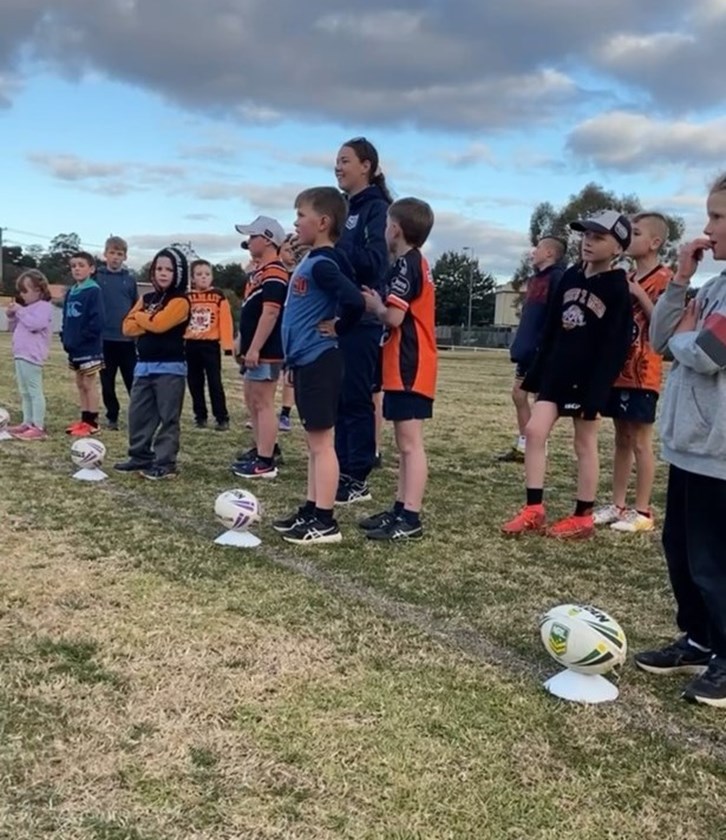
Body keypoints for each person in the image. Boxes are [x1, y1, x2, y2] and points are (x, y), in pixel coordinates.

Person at [634, 174, 726, 708]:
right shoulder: (712, 288)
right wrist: (679, 284)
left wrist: (689, 334)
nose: (707, 229)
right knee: (682, 551)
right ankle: (697, 639)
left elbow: (709, 352)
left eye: (717, 217)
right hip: (690, 445)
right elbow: (661, 339)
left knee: (716, 559)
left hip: (720, 452)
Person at [501, 210, 634, 539]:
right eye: (586, 235)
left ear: (618, 248)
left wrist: (598, 391)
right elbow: (551, 329)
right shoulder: (571, 276)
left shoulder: (618, 288)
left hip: (587, 380)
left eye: (599, 238)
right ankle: (534, 509)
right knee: (534, 431)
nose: (588, 242)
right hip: (556, 375)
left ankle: (583, 517)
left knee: (584, 443)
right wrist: (537, 372)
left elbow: (616, 346)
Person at [273, 187, 365, 544]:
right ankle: (312, 508)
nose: (295, 223)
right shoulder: (312, 261)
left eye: (300, 216)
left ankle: (325, 521)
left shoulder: (325, 263)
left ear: (323, 222)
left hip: (321, 360)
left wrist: (339, 326)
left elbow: (354, 301)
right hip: (307, 361)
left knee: (322, 444)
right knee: (314, 443)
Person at [359, 197, 436, 540]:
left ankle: (411, 517)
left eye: (386, 224)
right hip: (400, 361)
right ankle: (401, 507)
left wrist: (375, 305)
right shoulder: (406, 264)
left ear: (395, 229)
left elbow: (394, 316)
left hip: (411, 361)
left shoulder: (408, 265)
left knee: (410, 443)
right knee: (403, 444)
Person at [594, 213, 673, 532]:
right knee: (621, 438)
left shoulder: (666, 279)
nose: (629, 238)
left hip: (644, 371)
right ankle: (617, 504)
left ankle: (642, 511)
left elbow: (664, 326)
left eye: (636, 233)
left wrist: (638, 294)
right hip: (618, 369)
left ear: (654, 242)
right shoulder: (623, 275)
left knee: (641, 440)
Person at [334, 137, 392, 504]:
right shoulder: (345, 208)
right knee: (339, 399)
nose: (338, 167)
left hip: (364, 319)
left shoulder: (378, 209)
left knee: (355, 399)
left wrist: (333, 242)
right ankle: (340, 469)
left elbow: (375, 263)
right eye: (336, 161)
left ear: (366, 166)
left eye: (345, 160)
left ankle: (357, 476)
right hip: (339, 317)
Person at [113, 246, 191, 480]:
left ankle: (165, 462)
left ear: (178, 273)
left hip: (170, 368)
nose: (163, 273)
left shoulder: (181, 301)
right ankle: (139, 456)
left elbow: (160, 325)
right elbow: (127, 327)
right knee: (138, 414)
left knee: (168, 418)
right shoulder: (146, 298)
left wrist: (141, 318)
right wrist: (146, 318)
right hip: (144, 366)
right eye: (159, 268)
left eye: (169, 269)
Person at [230, 216, 288, 478]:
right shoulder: (257, 273)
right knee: (252, 401)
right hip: (254, 349)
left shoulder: (275, 271)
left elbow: (271, 312)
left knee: (263, 402)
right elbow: (250, 312)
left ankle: (266, 460)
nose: (248, 242)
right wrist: (242, 342)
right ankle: (262, 447)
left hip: (268, 350)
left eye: (252, 237)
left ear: (266, 239)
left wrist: (255, 348)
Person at [499, 237, 566, 462]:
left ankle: (536, 446)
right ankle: (525, 443)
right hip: (526, 351)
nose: (532, 252)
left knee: (540, 401)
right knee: (518, 395)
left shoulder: (557, 278)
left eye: (537, 248)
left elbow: (557, 316)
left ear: (549, 253)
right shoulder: (535, 279)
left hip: (542, 351)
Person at [185, 258, 234, 431]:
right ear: (192, 278)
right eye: (199, 274)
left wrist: (228, 345)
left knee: (215, 382)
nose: (203, 277)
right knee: (194, 382)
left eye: (207, 274)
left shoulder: (218, 296)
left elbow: (225, 321)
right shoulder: (187, 298)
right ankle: (200, 416)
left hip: (210, 346)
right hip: (191, 344)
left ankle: (221, 417)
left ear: (212, 277)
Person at [95, 235, 138, 430]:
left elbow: (136, 307)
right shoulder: (97, 277)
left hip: (126, 340)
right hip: (105, 339)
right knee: (107, 382)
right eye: (112, 253)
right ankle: (112, 416)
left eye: (119, 254)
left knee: (133, 381)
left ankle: (138, 415)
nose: (115, 257)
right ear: (105, 255)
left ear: (125, 257)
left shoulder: (129, 280)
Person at [61, 251, 105, 436]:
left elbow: (98, 320)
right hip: (74, 347)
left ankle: (92, 422)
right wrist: (65, 337)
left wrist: (83, 337)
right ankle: (83, 419)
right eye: (74, 266)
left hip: (88, 346)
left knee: (89, 382)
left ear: (91, 269)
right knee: (80, 383)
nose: (77, 269)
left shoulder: (94, 290)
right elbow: (66, 318)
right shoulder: (71, 291)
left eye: (81, 265)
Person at [5, 269, 53, 440]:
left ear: (38, 290)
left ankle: (38, 426)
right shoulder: (27, 309)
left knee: (34, 390)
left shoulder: (44, 308)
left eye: (25, 291)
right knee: (24, 391)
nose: (21, 295)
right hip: (20, 354)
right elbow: (13, 328)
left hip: (32, 356)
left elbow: (35, 324)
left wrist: (20, 311)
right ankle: (27, 422)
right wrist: (11, 316)